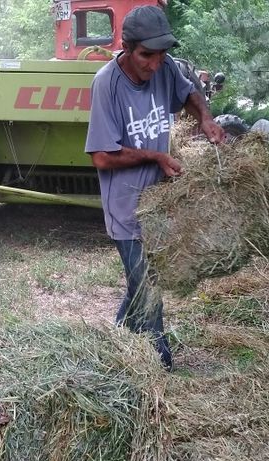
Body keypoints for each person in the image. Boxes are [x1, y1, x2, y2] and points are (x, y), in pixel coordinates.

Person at [85, 5, 224, 370]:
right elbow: (101, 156)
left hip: (157, 205)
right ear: (127, 48)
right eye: (147, 55)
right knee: (147, 285)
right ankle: (160, 361)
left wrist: (205, 118)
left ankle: (116, 341)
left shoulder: (166, 66)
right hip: (126, 207)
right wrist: (156, 157)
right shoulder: (107, 84)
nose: (155, 63)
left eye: (161, 54)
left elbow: (189, 92)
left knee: (141, 282)